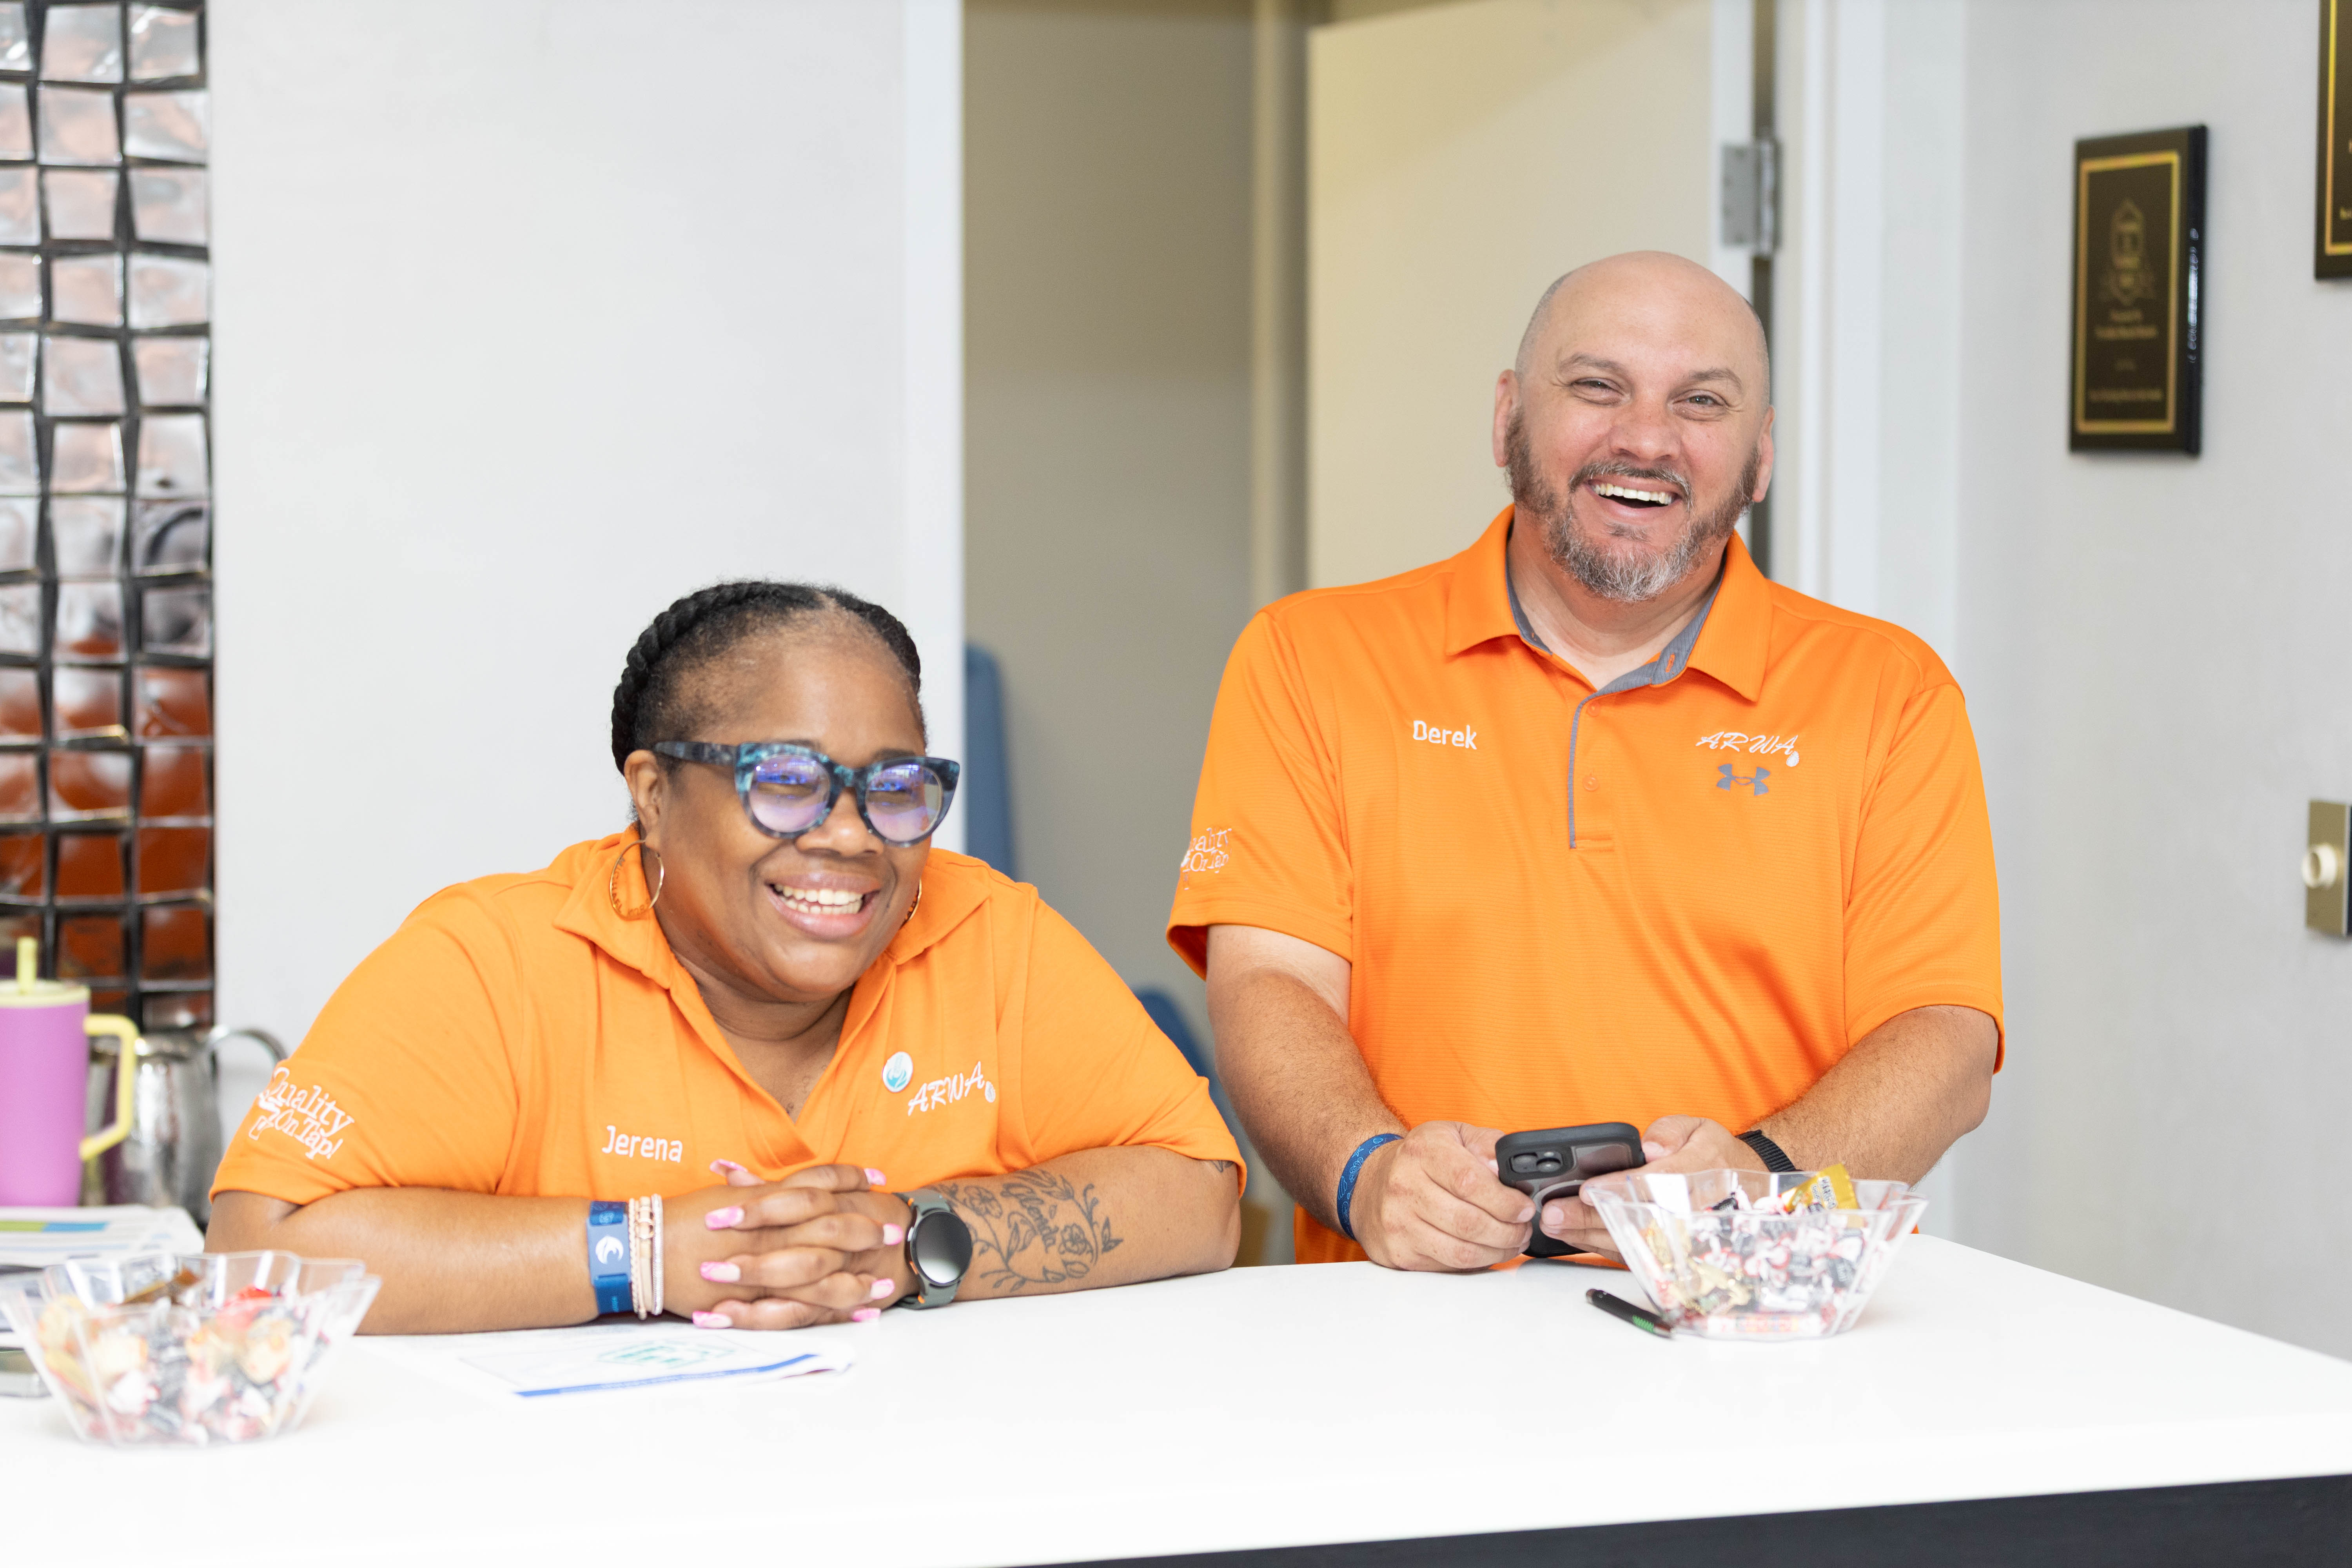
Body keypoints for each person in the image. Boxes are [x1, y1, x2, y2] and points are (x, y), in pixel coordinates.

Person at [1168, 251, 2000, 1270]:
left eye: (1701, 401)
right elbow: (1269, 985)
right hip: (1407, 1322)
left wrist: (1758, 1181)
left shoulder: (1891, 694)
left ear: (1761, 457)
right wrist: (1371, 1176)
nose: (1646, 438)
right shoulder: (1309, 660)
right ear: (1508, 418)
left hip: (1744, 1319)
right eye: (1598, 387)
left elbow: (1944, 1037)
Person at [210, 581, 1242, 1331]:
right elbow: (258, 1251)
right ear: (655, 797)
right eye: (786, 782)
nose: (852, 836)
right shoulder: (493, 960)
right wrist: (649, 1253)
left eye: (896, 789)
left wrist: (905, 1241)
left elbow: (1200, 1195)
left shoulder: (983, 930)